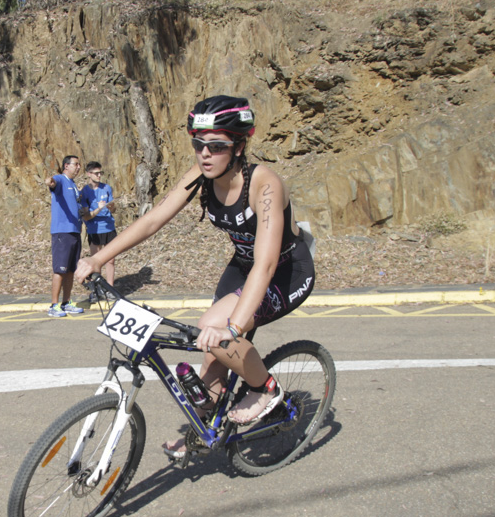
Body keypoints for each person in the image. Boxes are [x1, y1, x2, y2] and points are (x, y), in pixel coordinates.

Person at [74, 95, 316, 458]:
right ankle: (202, 433)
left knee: (217, 330)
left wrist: (233, 328)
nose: (204, 154)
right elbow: (154, 219)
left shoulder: (264, 185)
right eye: (198, 144)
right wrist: (98, 259)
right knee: (209, 349)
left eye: (216, 146)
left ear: (239, 147)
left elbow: (265, 265)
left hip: (284, 270)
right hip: (243, 265)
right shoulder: (201, 177)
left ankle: (267, 388)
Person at [46, 155, 86, 318]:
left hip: (75, 231)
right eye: (75, 164)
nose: (78, 167)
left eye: (79, 164)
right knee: (60, 270)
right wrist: (49, 181)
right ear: (66, 166)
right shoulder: (61, 180)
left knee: (70, 270)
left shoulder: (74, 185)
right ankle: (54, 305)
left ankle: (66, 302)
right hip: (62, 231)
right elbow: (52, 182)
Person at [77, 161, 117, 303]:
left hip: (109, 227)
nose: (99, 175)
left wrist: (111, 207)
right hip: (94, 229)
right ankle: (97, 290)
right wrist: (99, 209)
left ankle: (111, 289)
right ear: (89, 174)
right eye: (96, 173)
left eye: (100, 173)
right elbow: (86, 216)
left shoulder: (107, 188)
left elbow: (113, 209)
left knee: (111, 260)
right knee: (96, 261)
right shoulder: (85, 192)